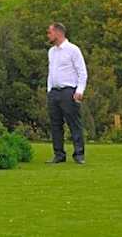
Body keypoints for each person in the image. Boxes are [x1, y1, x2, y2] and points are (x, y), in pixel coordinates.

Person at [46, 22, 87, 164]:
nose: (48, 35)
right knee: (55, 124)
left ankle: (79, 154)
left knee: (74, 123)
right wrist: (49, 90)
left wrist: (80, 90)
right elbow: (51, 72)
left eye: (50, 33)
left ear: (58, 33)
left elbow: (82, 71)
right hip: (54, 92)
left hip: (68, 91)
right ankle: (59, 154)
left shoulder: (73, 50)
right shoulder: (51, 52)